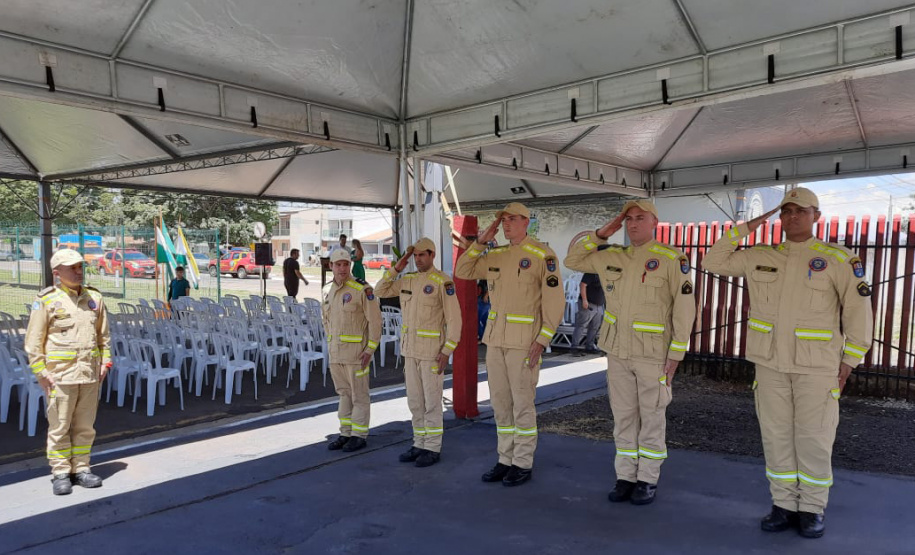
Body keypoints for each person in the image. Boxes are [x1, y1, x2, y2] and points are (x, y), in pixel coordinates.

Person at [702, 187, 873, 538]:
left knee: (814, 438)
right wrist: (748, 226)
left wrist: (851, 359)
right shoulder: (761, 255)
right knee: (776, 435)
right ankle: (783, 505)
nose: (791, 216)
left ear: (816, 216)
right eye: (786, 211)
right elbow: (712, 261)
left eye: (800, 211)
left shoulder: (838, 259)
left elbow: (858, 312)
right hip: (769, 363)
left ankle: (811, 508)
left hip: (817, 366)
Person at [564, 200, 696, 506]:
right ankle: (625, 476)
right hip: (617, 350)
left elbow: (684, 307)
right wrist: (602, 233)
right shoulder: (611, 255)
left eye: (640, 218)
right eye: (629, 219)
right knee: (623, 416)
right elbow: (573, 259)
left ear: (654, 222)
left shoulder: (672, 258)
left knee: (651, 416)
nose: (633, 223)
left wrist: (677, 352)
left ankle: (647, 478)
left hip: (653, 353)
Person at [455, 202, 565, 487]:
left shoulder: (543, 255)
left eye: (512, 219)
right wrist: (480, 241)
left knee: (522, 404)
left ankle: (523, 462)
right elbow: (464, 270)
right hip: (495, 340)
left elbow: (554, 302)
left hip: (524, 343)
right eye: (503, 220)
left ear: (526, 222)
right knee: (501, 404)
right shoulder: (497, 254)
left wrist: (543, 339)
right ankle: (505, 459)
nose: (506, 224)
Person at [24, 249, 111, 496]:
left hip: (89, 374)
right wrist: (41, 372)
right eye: (72, 268)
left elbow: (104, 336)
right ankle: (61, 472)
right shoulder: (46, 300)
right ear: (56, 273)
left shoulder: (94, 298)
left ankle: (82, 468)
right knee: (60, 425)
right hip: (59, 376)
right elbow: (34, 342)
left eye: (80, 267)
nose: (78, 271)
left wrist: (106, 362)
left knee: (85, 426)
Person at [374, 237, 461, 467]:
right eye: (415, 255)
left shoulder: (443, 282)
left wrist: (447, 350)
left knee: (432, 401)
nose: (418, 259)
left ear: (432, 255)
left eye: (423, 255)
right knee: (415, 401)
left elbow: (454, 319)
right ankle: (419, 443)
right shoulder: (407, 280)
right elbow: (380, 290)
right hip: (410, 352)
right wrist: (397, 267)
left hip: (432, 352)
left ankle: (432, 447)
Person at [322, 248, 382, 453]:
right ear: (331, 266)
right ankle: (345, 432)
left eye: (345, 264)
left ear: (350, 265)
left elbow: (375, 321)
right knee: (344, 394)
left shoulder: (362, 289)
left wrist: (370, 349)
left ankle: (359, 435)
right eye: (338, 264)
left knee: (359, 396)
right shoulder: (327, 290)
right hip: (336, 354)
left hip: (357, 355)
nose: (342, 268)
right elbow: (326, 321)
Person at [570, 272, 604, 357]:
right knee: (581, 325)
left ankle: (590, 346)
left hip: (599, 305)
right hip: (588, 304)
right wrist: (585, 300)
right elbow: (582, 285)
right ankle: (574, 347)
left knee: (595, 327)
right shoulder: (591, 272)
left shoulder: (604, 273)